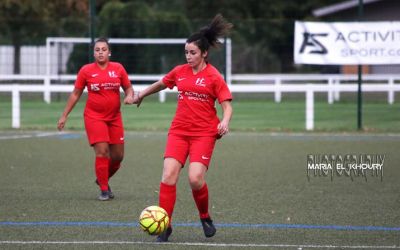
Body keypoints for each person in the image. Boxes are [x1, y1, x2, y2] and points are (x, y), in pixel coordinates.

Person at [134, 14, 233, 242]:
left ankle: (205, 217)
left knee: (195, 179)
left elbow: (226, 106)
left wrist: (224, 121)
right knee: (168, 175)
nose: (188, 57)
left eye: (193, 53)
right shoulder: (180, 72)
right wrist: (141, 95)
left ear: (204, 53)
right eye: (186, 52)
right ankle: (164, 224)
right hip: (179, 131)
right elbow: (162, 83)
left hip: (204, 133)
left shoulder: (214, 76)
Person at [57, 38, 135, 201]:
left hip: (114, 118)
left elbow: (128, 88)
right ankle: (104, 190)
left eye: (103, 49)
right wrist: (64, 115)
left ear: (109, 52)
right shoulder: (86, 70)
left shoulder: (118, 68)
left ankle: (101, 178)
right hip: (94, 117)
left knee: (118, 157)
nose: (100, 52)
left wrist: (129, 96)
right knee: (102, 151)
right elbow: (76, 93)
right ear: (94, 53)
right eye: (97, 49)